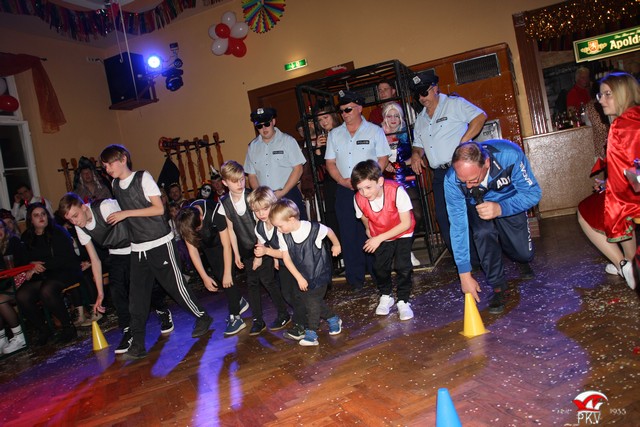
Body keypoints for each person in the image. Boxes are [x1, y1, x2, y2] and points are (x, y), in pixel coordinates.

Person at [100, 144, 213, 360]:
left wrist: (126, 213)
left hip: (160, 243)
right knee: (137, 298)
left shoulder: (142, 178)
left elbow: (159, 208)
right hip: (138, 247)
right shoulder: (115, 184)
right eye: (104, 166)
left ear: (123, 159)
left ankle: (203, 316)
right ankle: (138, 344)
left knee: (175, 287)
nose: (107, 169)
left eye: (110, 164)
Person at [59, 193, 175, 354]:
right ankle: (128, 330)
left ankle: (162, 310)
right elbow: (95, 260)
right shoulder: (81, 227)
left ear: (84, 207)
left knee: (145, 289)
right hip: (116, 253)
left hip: (136, 247)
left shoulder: (105, 207)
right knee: (116, 291)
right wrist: (100, 293)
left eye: (75, 216)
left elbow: (134, 216)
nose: (74, 222)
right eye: (70, 220)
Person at [444, 141, 541, 314]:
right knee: (483, 233)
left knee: (524, 254)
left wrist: (500, 208)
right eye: (463, 181)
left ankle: (519, 259)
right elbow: (458, 227)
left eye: (473, 180)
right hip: (478, 204)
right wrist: (464, 274)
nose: (468, 186)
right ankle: (498, 286)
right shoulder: (451, 180)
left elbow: (533, 194)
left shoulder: (510, 155)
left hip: (510, 201)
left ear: (486, 163)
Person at [409, 71, 487, 260]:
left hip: (460, 171)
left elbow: (480, 117)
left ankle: (482, 257)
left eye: (424, 92)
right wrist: (416, 154)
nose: (421, 98)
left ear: (435, 88)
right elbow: (418, 144)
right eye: (418, 95)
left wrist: (464, 141)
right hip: (440, 174)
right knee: (444, 218)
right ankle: (464, 260)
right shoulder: (420, 119)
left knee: (471, 214)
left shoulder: (454, 104)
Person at [578, 72, 640, 290]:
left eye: (607, 94)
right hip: (634, 190)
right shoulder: (634, 117)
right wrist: (608, 184)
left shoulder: (621, 125)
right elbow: (632, 166)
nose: (600, 101)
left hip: (633, 198)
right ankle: (631, 263)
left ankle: (624, 265)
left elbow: (632, 177)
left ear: (623, 93)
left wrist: (611, 190)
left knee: (585, 210)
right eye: (600, 95)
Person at [324, 90, 390, 291]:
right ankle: (355, 279)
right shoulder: (335, 134)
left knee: (372, 231)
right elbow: (330, 162)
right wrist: (341, 180)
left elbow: (383, 158)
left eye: (349, 109)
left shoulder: (374, 131)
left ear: (360, 108)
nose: (344, 114)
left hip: (369, 191)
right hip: (345, 189)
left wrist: (372, 182)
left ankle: (379, 276)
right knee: (348, 233)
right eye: (342, 110)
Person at [218, 160, 290, 335]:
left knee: (268, 281)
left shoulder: (252, 196)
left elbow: (263, 225)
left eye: (242, 179)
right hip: (246, 250)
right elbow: (231, 230)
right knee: (252, 284)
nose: (240, 184)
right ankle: (258, 320)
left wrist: (264, 254)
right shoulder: (224, 202)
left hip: (263, 246)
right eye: (234, 181)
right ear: (225, 182)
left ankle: (283, 313)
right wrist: (236, 254)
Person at [269, 198, 342, 346]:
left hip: (320, 274)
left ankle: (312, 333)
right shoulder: (283, 235)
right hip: (303, 276)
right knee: (311, 301)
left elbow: (329, 231)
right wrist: (298, 277)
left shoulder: (313, 228)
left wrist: (336, 244)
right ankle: (333, 318)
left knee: (312, 302)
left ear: (291, 219)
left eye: (280, 226)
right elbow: (286, 259)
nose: (278, 230)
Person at [351, 160, 416, 320]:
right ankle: (386, 295)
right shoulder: (358, 198)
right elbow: (364, 218)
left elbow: (406, 223)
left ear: (380, 181)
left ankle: (403, 300)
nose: (364, 193)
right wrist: (370, 232)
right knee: (379, 267)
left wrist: (378, 238)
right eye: (360, 189)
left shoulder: (397, 191)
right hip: (379, 233)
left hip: (402, 231)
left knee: (402, 266)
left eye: (368, 187)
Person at [176, 199, 250, 336]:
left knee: (227, 279)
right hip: (209, 246)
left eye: (198, 229)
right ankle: (239, 301)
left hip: (224, 243)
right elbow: (193, 252)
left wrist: (228, 272)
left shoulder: (216, 213)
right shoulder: (186, 221)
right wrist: (204, 277)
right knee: (220, 276)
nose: (197, 231)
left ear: (201, 217)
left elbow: (227, 246)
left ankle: (236, 317)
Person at [17, 203, 82, 345]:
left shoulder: (58, 231)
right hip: (43, 275)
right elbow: (22, 259)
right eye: (36, 215)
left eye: (43, 214)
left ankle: (68, 327)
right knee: (22, 295)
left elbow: (65, 257)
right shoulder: (27, 236)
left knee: (47, 290)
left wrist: (40, 266)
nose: (41, 217)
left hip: (64, 271)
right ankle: (43, 329)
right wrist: (31, 265)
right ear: (31, 220)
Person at [250, 187, 306, 340]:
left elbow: (283, 252)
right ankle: (307, 316)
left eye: (265, 209)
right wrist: (258, 258)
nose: (261, 214)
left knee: (297, 293)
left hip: (295, 262)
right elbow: (262, 241)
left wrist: (267, 252)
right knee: (287, 293)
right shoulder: (260, 227)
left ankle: (302, 324)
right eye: (257, 210)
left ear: (273, 205)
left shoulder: (280, 226)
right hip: (283, 264)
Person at [244, 107, 308, 219]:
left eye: (267, 124)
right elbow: (252, 175)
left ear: (273, 121)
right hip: (265, 201)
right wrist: (261, 195)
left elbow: (298, 169)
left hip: (288, 194)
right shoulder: (252, 147)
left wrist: (282, 192)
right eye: (259, 126)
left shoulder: (288, 141)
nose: (264, 128)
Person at [0, 218, 28, 354]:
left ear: (5, 229)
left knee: (1, 300)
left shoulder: (13, 242)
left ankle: (19, 336)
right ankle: (2, 338)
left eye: (0, 227)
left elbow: (23, 262)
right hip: (5, 283)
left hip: (21, 279)